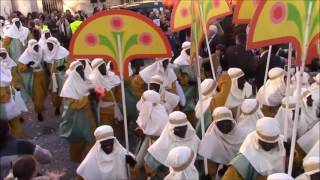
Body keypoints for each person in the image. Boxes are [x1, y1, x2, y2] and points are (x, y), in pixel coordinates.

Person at [59, 61, 96, 162]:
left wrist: (96, 93)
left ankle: (90, 159)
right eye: (78, 70)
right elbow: (74, 104)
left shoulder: (85, 80)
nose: (81, 71)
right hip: (77, 119)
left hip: (88, 115)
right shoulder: (69, 86)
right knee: (79, 140)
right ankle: (78, 159)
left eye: (81, 69)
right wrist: (87, 96)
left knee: (91, 137)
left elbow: (94, 90)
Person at [144, 111, 200, 179]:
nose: (182, 130)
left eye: (184, 127)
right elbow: (149, 166)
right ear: (171, 129)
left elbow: (202, 159)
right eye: (178, 128)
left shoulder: (194, 139)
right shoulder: (162, 144)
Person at [199, 107, 244, 179]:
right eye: (221, 122)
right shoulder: (210, 141)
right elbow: (209, 164)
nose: (225, 125)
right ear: (215, 124)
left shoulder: (241, 137)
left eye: (227, 121)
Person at [135, 90, 168, 169]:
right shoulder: (160, 108)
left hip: (155, 141)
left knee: (153, 163)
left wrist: (140, 128)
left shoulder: (149, 109)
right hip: (158, 139)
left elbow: (143, 124)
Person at [18, 39, 48, 121]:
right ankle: (39, 112)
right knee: (37, 96)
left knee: (44, 93)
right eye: (34, 47)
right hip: (34, 78)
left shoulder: (40, 52)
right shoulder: (25, 56)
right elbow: (21, 69)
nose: (36, 48)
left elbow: (43, 61)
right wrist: (27, 65)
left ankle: (41, 106)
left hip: (43, 75)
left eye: (37, 46)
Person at [88, 58, 122, 126]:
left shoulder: (112, 76)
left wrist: (119, 102)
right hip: (103, 112)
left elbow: (118, 92)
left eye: (104, 65)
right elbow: (96, 97)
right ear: (96, 70)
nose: (104, 68)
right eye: (101, 67)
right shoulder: (93, 81)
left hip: (115, 109)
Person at [173, 42, 198, 126]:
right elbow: (178, 77)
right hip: (185, 89)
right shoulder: (178, 62)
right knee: (186, 106)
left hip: (194, 88)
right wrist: (187, 81)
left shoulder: (195, 58)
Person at [0, 48, 23, 137]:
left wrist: (14, 89)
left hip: (9, 98)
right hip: (5, 101)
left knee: (13, 120)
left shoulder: (6, 71)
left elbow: (14, 77)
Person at [43, 37, 69, 115]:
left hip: (62, 76)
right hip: (52, 77)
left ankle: (66, 109)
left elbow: (69, 62)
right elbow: (45, 63)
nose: (49, 47)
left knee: (63, 92)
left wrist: (64, 66)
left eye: (50, 45)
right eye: (48, 45)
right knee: (55, 93)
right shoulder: (46, 52)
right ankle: (57, 107)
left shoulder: (63, 52)